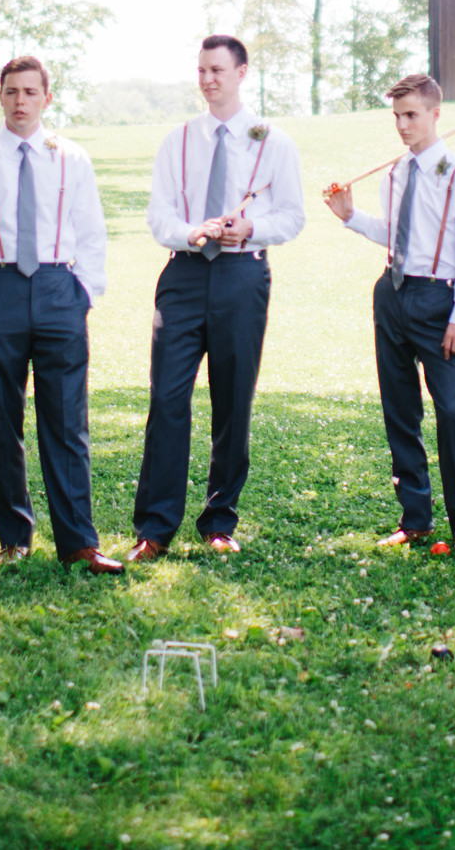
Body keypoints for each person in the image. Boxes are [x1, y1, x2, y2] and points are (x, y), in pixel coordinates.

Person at [129, 35, 306, 560]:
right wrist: (194, 231)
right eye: (202, 70)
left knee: (232, 401)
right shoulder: (178, 141)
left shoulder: (272, 141)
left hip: (241, 277)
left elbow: (292, 216)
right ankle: (155, 529)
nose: (208, 79)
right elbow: (159, 216)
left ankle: (219, 521)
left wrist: (248, 227)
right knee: (167, 400)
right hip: (183, 276)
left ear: (241, 73)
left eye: (218, 70)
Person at [0, 56, 121, 574]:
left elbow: (91, 232)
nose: (20, 101)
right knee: (3, 419)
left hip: (57, 289)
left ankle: (77, 542)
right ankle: (14, 537)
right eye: (10, 91)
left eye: (30, 91)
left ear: (47, 97)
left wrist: (83, 292)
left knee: (67, 421)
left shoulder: (71, 158)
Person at [325, 71, 455, 559]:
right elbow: (397, 235)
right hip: (391, 293)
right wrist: (350, 216)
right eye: (397, 116)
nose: (403, 125)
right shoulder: (395, 173)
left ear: (436, 114)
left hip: (439, 301)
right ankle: (415, 518)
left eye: (412, 115)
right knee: (400, 410)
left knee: (450, 413)